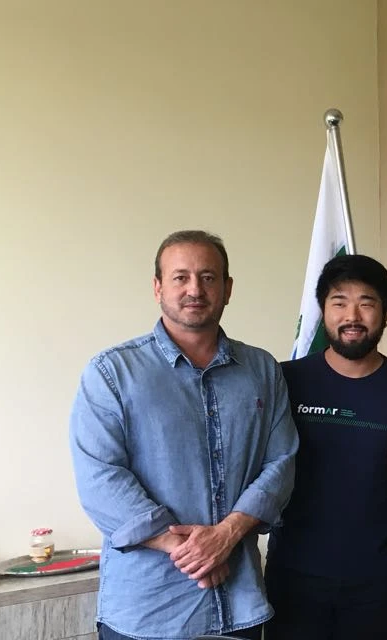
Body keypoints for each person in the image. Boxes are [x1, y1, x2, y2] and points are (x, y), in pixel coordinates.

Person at [69, 230, 298, 640]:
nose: (195, 289)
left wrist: (227, 535)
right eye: (181, 277)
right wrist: (189, 550)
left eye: (208, 277)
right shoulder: (111, 373)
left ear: (228, 289)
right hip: (147, 612)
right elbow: (100, 478)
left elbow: (281, 463)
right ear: (158, 287)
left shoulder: (262, 370)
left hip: (240, 606)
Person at [264, 254, 387, 640]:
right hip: (293, 575)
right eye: (339, 302)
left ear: (386, 312)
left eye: (366, 303)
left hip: (372, 579)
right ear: (323, 311)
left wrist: (377, 541)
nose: (352, 316)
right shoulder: (285, 380)